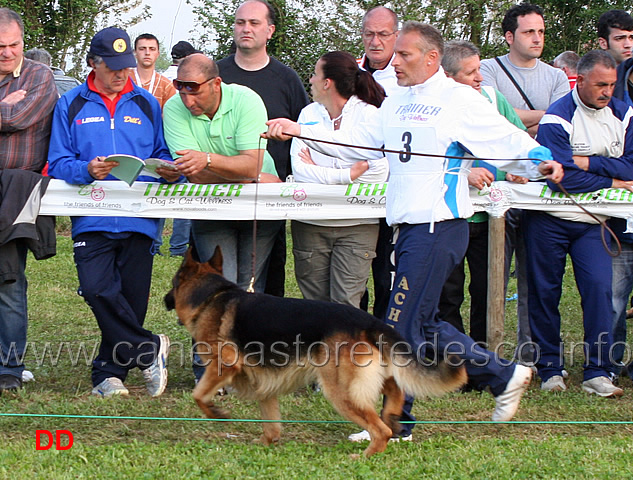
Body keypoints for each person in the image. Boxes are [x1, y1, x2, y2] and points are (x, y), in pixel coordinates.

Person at [264, 22, 564, 436]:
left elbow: (503, 137)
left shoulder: (458, 98)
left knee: (399, 327)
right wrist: (300, 131)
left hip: (438, 226)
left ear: (431, 58)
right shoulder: (396, 101)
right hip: (408, 229)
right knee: (422, 326)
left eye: (404, 55)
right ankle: (503, 374)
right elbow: (360, 145)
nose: (395, 61)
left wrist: (538, 159)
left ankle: (395, 423)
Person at [47, 27, 179, 397]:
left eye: (127, 66)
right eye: (113, 67)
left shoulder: (147, 103)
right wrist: (86, 170)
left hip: (141, 219)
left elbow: (164, 153)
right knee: (96, 289)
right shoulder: (70, 103)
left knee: (130, 303)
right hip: (91, 218)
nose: (122, 74)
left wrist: (168, 169)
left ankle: (108, 376)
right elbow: (57, 161)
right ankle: (150, 348)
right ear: (93, 63)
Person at [529, 50, 632, 396]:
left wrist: (586, 163)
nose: (607, 91)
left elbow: (632, 166)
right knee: (545, 293)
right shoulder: (556, 117)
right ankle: (549, 369)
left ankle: (598, 371)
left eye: (612, 84)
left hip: (595, 224)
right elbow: (561, 178)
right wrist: (613, 178)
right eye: (601, 84)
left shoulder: (625, 113)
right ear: (581, 80)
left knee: (599, 291)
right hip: (549, 220)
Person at [480, 2, 569, 364]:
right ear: (509, 35)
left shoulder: (557, 76)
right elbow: (488, 116)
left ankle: (530, 352)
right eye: (530, 31)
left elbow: (560, 126)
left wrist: (517, 121)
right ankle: (490, 351)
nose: (537, 38)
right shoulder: (488, 69)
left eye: (542, 31)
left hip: (537, 192)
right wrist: (538, 119)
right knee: (493, 275)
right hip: (498, 186)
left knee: (534, 276)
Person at [438, 39, 527, 347]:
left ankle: (486, 354)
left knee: (489, 288)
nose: (479, 78)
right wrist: (464, 173)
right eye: (471, 72)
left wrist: (518, 167)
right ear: (448, 76)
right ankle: (453, 357)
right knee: (448, 291)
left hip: (494, 216)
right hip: (451, 214)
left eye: (479, 70)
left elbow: (515, 137)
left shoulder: (492, 97)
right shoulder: (434, 106)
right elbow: (426, 157)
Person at [217, 0, 309, 298]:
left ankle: (265, 345)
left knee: (267, 288)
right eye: (240, 22)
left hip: (269, 199)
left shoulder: (287, 80)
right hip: (218, 197)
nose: (246, 28)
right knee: (219, 282)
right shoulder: (215, 75)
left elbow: (304, 134)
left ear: (269, 31)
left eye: (254, 23)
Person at [290, 51, 388, 307]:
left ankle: (346, 349)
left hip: (358, 224)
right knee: (315, 306)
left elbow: (379, 173)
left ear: (327, 83)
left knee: (346, 306)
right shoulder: (306, 114)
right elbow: (300, 171)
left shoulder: (372, 115)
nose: (309, 79)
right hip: (310, 221)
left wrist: (322, 172)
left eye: (314, 74)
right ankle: (319, 350)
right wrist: (348, 174)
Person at [0, 8, 58, 394]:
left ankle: (9, 368)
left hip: (18, 190)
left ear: (23, 41)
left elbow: (17, 119)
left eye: (14, 45)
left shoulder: (40, 76)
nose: (7, 52)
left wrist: (8, 109)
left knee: (8, 280)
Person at [357, 5, 403, 320]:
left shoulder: (406, 75)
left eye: (383, 35)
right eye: (369, 34)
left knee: (387, 273)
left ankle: (387, 342)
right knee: (355, 276)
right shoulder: (348, 74)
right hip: (355, 188)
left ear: (395, 36)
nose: (375, 41)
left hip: (394, 189)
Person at [131, 33, 186, 257]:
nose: (146, 53)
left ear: (158, 53)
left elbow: (172, 114)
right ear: (135, 52)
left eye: (151, 49)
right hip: (130, 142)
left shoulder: (165, 84)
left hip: (155, 143)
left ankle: (154, 242)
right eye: (142, 48)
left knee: (157, 187)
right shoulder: (125, 79)